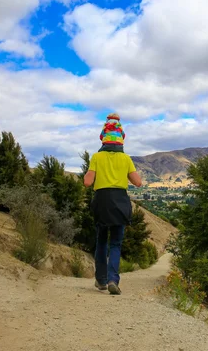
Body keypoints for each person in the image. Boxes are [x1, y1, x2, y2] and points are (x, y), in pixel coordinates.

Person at [83, 113, 142, 295]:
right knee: (116, 243)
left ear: (103, 139)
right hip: (120, 202)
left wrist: (92, 172)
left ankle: (100, 280)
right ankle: (112, 280)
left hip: (102, 201)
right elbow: (137, 182)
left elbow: (87, 182)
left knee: (101, 241)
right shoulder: (125, 159)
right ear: (121, 140)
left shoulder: (96, 157)